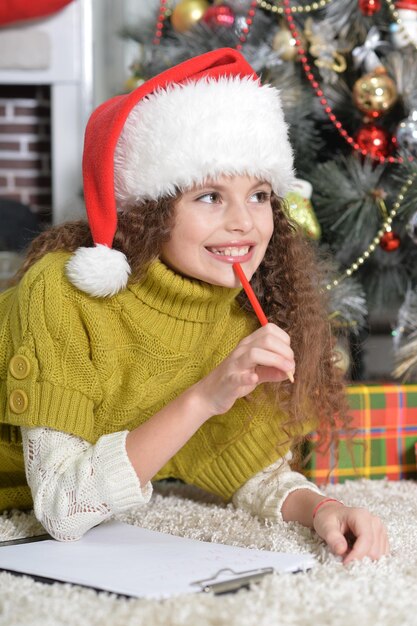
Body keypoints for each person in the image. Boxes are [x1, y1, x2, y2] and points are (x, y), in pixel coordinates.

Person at [0, 48, 388, 563]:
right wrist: (204, 397)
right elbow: (61, 507)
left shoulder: (232, 312)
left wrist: (322, 508)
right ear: (150, 209)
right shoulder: (63, 291)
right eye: (209, 196)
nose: (245, 224)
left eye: (259, 194)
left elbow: (250, 465)